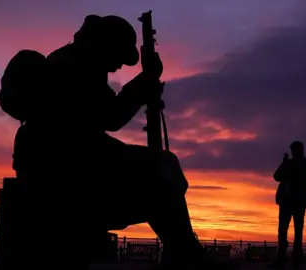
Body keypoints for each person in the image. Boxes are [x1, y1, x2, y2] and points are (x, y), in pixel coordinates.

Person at [13, 14, 224, 269]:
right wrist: (144, 82)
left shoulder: (75, 60)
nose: (117, 67)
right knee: (162, 170)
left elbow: (99, 121)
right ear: (107, 45)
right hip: (65, 165)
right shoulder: (77, 65)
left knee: (161, 171)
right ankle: (185, 253)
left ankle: (183, 251)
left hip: (66, 159)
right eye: (118, 58)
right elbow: (110, 117)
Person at [272, 141, 306, 267]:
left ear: (300, 150)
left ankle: (296, 258)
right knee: (283, 231)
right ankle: (282, 258)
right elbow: (276, 176)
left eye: (295, 150)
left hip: (298, 202)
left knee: (297, 231)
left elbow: (304, 178)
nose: (293, 153)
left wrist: (289, 167)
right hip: (286, 201)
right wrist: (284, 164)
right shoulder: (289, 163)